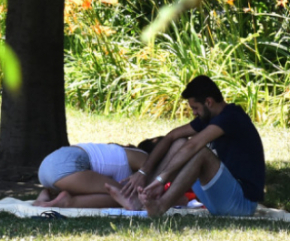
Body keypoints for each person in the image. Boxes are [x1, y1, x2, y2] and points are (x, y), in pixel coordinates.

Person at [107, 75, 266, 217]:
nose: (194, 113)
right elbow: (172, 136)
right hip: (222, 200)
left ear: (208, 102)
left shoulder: (231, 117)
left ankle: (160, 207)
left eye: (195, 108)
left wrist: (162, 179)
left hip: (242, 203)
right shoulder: (210, 117)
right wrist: (144, 172)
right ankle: (139, 199)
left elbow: (194, 146)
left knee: (201, 153)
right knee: (179, 143)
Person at [32, 139, 187, 209]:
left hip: (49, 167)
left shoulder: (119, 156)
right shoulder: (144, 159)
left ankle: (49, 194)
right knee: (130, 199)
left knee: (118, 194)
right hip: (69, 164)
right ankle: (67, 202)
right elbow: (156, 192)